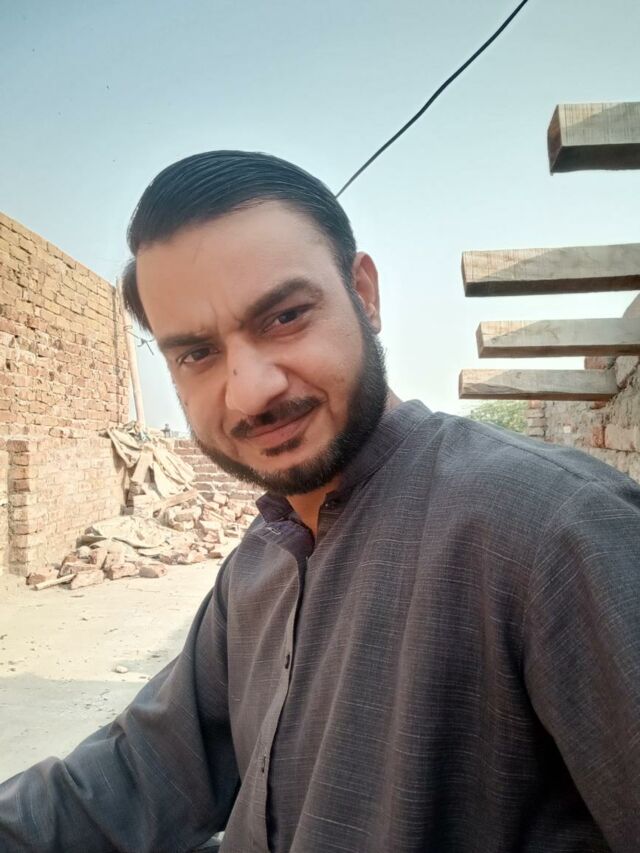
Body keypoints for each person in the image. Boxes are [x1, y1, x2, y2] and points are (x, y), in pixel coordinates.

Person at [1, 151, 639, 853]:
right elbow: (141, 773)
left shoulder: (556, 529)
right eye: (197, 354)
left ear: (364, 294)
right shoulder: (257, 566)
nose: (250, 391)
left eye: (284, 317)